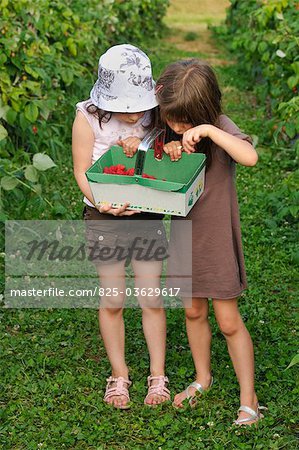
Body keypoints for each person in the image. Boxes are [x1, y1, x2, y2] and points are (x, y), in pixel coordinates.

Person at [156, 59, 265, 426]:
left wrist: (209, 130)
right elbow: (161, 163)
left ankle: (248, 395)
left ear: (205, 112)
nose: (176, 127)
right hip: (186, 237)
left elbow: (249, 157)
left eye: (184, 121)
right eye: (170, 119)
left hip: (215, 237)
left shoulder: (219, 127)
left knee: (229, 321)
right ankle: (203, 377)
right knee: (193, 311)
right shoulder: (172, 129)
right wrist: (170, 149)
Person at [72, 44, 170, 409]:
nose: (133, 116)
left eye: (139, 108)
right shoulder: (87, 117)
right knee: (112, 297)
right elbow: (82, 170)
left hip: (145, 214)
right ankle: (119, 374)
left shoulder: (154, 115)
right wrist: (101, 202)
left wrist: (147, 142)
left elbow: (164, 149)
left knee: (151, 296)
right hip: (103, 218)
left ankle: (157, 374)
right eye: (126, 109)